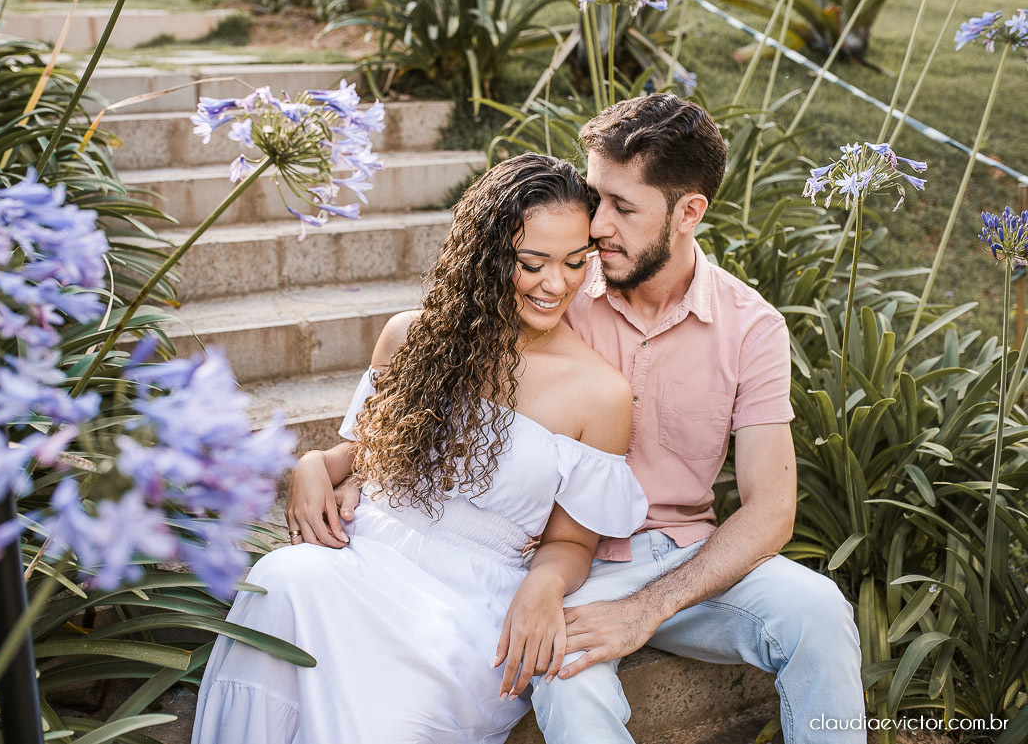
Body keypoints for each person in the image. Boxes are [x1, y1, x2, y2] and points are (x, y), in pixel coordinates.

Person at [288, 95, 867, 744]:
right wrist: (334, 464)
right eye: (596, 198)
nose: (596, 227)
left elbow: (771, 510)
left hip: (687, 556)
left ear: (689, 212)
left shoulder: (751, 326)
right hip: (567, 564)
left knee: (819, 611)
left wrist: (643, 610)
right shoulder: (555, 289)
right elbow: (435, 393)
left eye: (623, 206)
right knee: (566, 677)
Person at [191, 153, 649, 744]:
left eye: (573, 262)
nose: (555, 284)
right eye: (532, 262)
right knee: (285, 578)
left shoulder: (603, 395)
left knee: (384, 709)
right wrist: (311, 465)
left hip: (471, 602)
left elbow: (571, 542)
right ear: (486, 258)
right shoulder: (412, 337)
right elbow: (361, 455)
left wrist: (545, 584)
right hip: (370, 551)